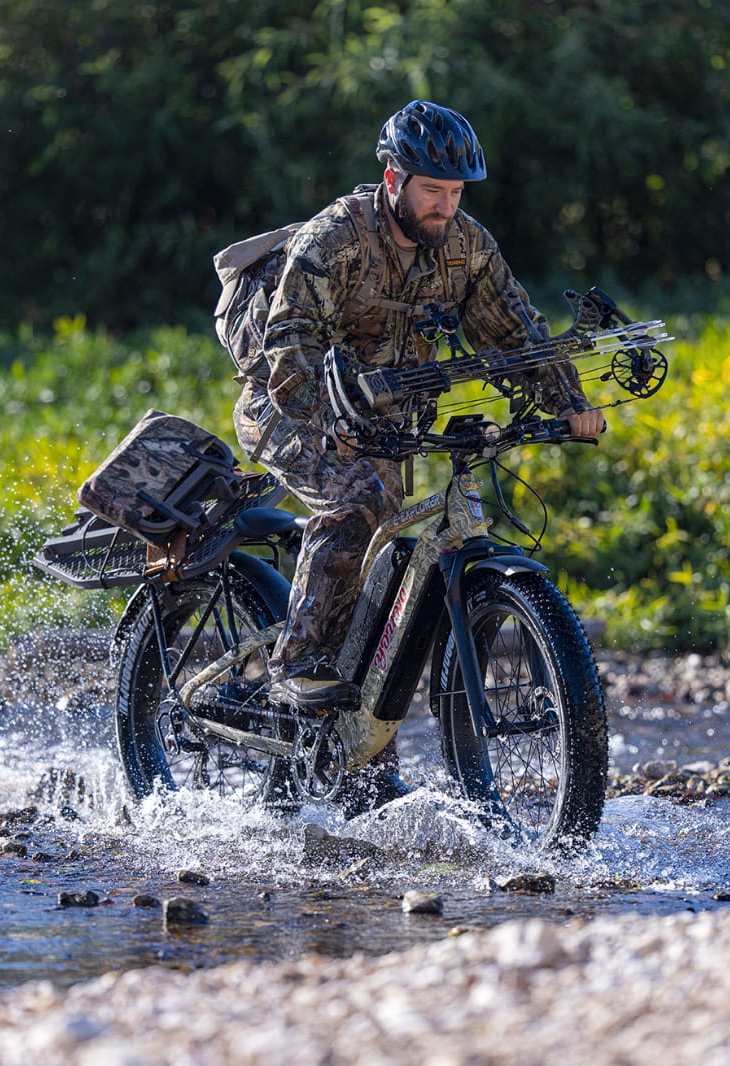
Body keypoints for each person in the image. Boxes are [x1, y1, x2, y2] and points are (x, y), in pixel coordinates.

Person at [232, 99, 606, 712]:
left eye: (457, 192)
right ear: (393, 180)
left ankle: (364, 761)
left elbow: (516, 331)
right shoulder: (337, 239)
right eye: (433, 190)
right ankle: (300, 663)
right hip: (287, 407)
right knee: (360, 498)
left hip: (381, 423)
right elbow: (289, 343)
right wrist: (330, 424)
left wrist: (568, 400)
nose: (447, 206)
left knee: (392, 555)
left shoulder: (466, 246)